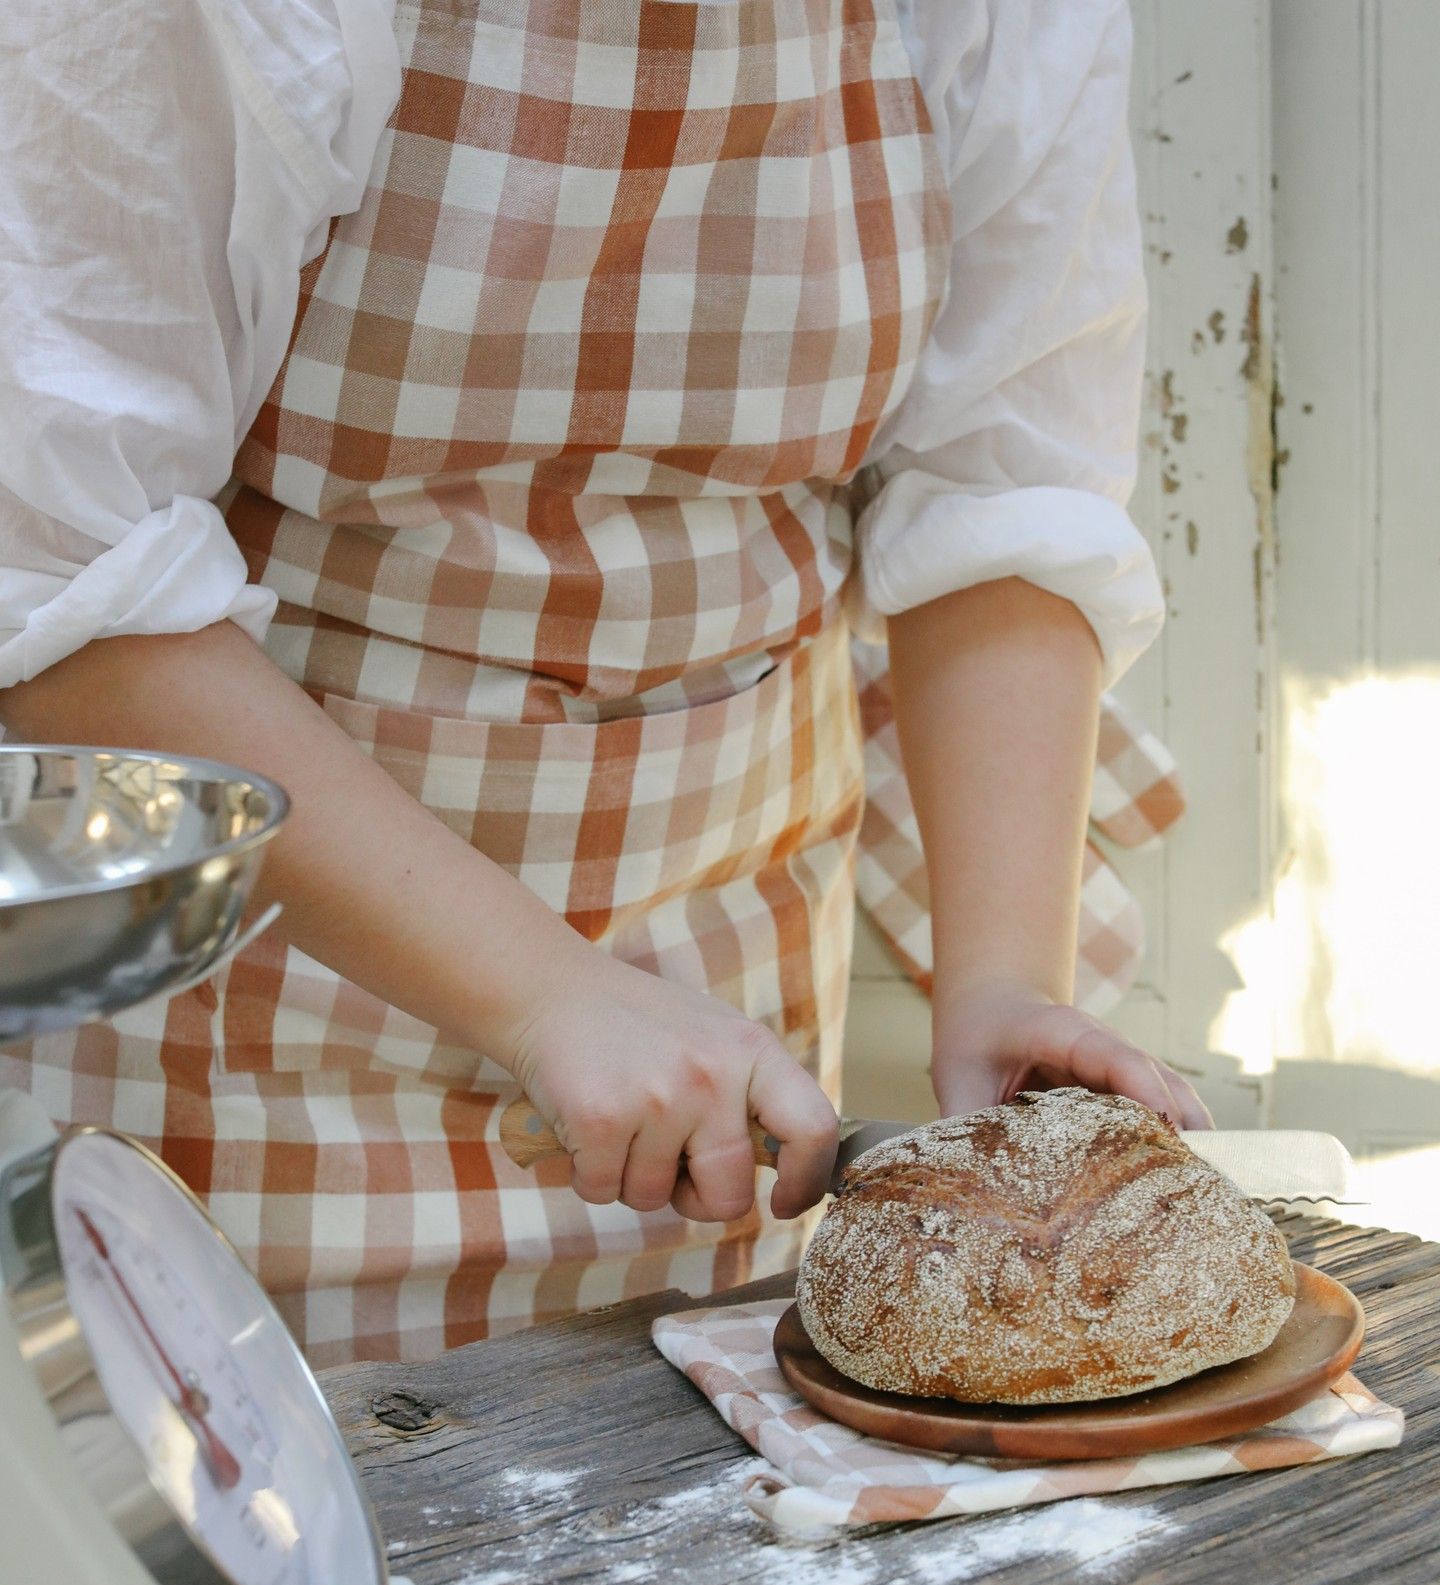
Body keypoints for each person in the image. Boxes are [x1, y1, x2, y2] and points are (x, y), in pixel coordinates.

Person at [0, 0, 1210, 1366]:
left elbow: (1007, 486)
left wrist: (1001, 993)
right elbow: (63, 582)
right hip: (243, 1028)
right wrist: (543, 994)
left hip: (729, 1027)